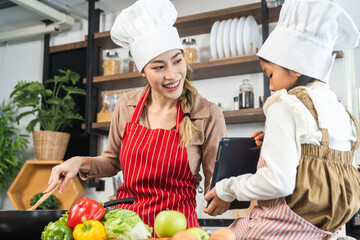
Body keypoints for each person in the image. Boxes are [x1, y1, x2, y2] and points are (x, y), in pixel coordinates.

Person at [44, 0, 226, 235]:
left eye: (177, 61)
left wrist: (231, 192)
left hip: (178, 233)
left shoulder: (208, 113)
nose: (172, 74)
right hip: (125, 229)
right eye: (158, 67)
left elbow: (218, 185)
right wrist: (77, 161)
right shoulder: (126, 106)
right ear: (142, 70)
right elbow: (111, 162)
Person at [203, 0, 360, 239]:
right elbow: (318, 164)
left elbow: (278, 182)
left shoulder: (285, 105)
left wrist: (227, 189)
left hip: (281, 230)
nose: (271, 85)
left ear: (296, 67)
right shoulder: (340, 111)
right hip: (325, 232)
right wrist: (275, 141)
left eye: (270, 74)